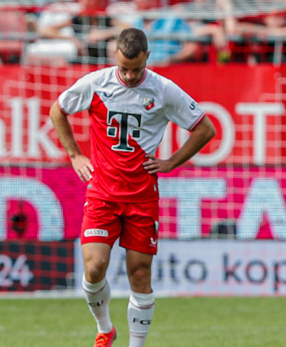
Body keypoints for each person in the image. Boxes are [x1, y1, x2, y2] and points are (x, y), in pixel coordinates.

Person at [49, 28, 217, 347]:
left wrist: (171, 162)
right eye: (124, 68)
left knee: (139, 273)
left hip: (141, 197)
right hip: (102, 193)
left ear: (147, 58)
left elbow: (205, 128)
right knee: (94, 267)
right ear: (115, 56)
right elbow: (58, 110)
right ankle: (105, 329)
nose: (129, 76)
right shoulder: (96, 83)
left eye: (136, 69)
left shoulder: (163, 90)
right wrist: (74, 155)